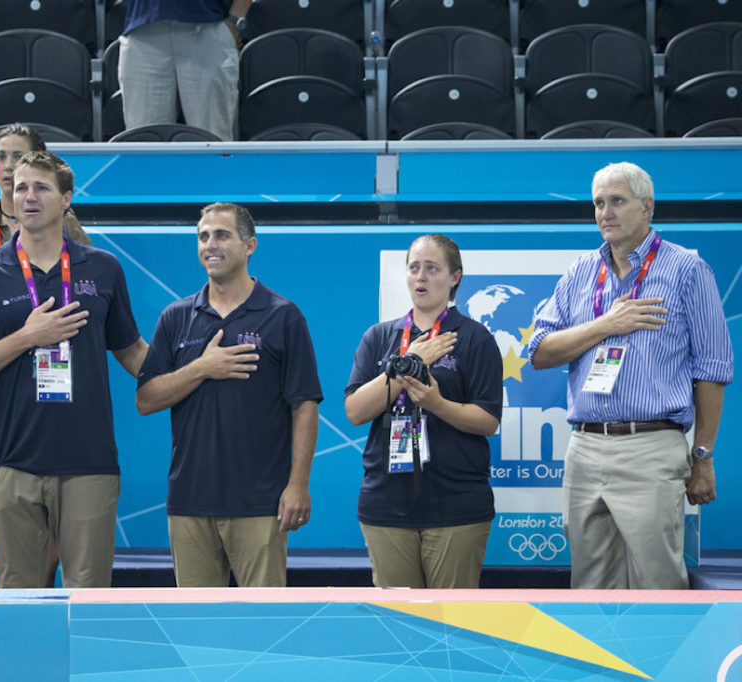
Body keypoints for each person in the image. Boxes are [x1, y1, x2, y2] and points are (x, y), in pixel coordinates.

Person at [0, 150, 148, 588]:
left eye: (41, 187)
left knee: (88, 599)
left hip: (88, 463)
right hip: (10, 463)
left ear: (66, 199)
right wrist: (26, 337)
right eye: (21, 188)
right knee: (20, 605)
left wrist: (194, 374)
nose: (29, 197)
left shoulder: (103, 268)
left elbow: (131, 351)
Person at [529, 162, 733, 589]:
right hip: (584, 448)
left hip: (651, 446)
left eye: (617, 201)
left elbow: (712, 371)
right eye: (599, 203)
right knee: (590, 585)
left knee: (656, 583)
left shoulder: (687, 271)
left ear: (647, 206)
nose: (606, 212)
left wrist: (702, 457)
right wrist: (606, 325)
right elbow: (540, 352)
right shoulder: (579, 273)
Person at [136, 202, 322, 587]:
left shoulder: (283, 315)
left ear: (249, 245)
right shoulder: (175, 316)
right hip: (190, 502)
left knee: (265, 625)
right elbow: (147, 398)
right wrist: (201, 368)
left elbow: (303, 405)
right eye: (203, 236)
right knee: (197, 631)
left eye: (221, 235)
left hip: (260, 503)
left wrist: (298, 484)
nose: (210, 244)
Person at [344, 234, 503, 589]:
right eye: (414, 268)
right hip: (386, 502)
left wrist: (436, 404)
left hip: (456, 506)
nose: (421, 277)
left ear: (454, 277)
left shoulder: (474, 339)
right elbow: (355, 411)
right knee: (400, 627)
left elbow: (488, 421)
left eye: (432, 269)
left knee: (451, 625)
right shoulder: (379, 336)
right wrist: (409, 364)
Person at [0, 123, 92, 443]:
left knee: (58, 449)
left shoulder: (64, 220)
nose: (9, 165)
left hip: (53, 351)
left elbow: (86, 277)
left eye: (18, 156)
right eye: (1, 157)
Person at [119, 0, 253, 141]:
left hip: (210, 25)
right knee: (143, 142)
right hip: (143, 30)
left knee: (213, 139)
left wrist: (235, 19)